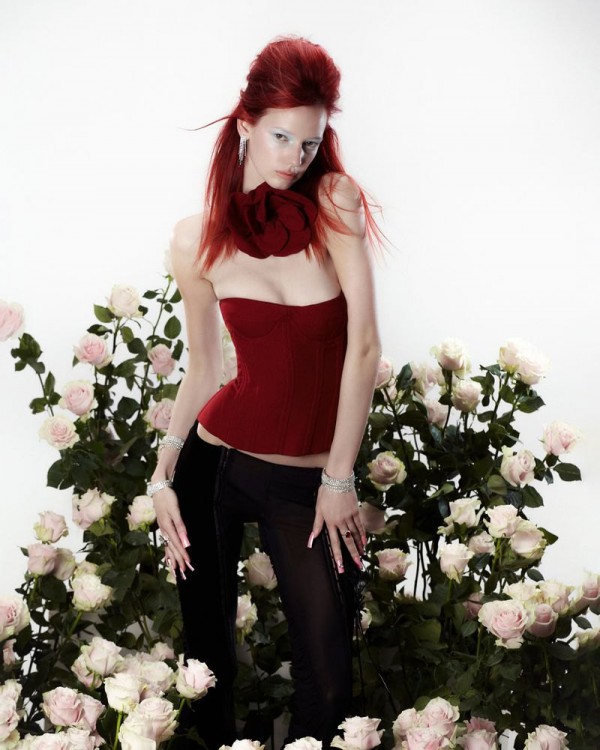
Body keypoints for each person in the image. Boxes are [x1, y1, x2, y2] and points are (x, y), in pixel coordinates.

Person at [148, 36, 381, 750]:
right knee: (208, 667)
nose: (296, 157)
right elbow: (204, 366)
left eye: (310, 142)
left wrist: (338, 478)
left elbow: (364, 349)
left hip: (310, 480)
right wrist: (161, 473)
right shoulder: (194, 240)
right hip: (214, 465)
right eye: (281, 136)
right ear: (246, 124)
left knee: (330, 685)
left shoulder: (335, 202)